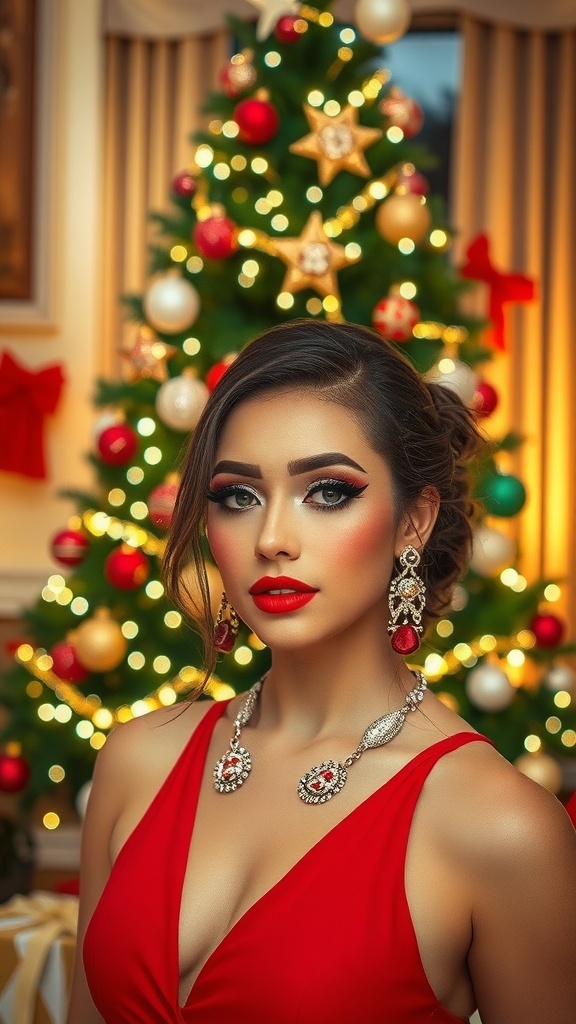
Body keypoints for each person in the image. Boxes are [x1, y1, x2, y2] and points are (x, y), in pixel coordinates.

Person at [69, 320, 576, 1024]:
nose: (272, 539)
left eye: (328, 492)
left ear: (414, 520)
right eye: (238, 496)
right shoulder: (137, 760)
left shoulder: (499, 826)